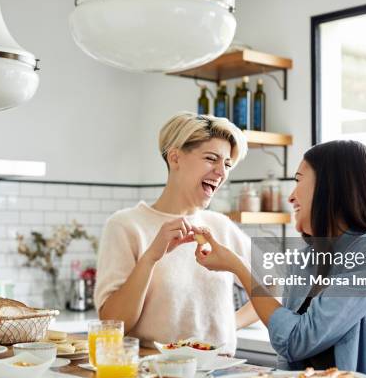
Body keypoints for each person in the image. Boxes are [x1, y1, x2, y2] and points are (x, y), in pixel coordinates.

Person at [195, 140, 366, 378]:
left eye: (298, 180)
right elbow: (290, 354)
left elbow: (297, 339)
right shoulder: (307, 257)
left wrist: (239, 268)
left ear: (332, 188)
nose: (291, 196)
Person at [94, 112, 258, 354]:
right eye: (211, 158)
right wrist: (150, 258)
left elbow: (274, 286)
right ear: (175, 157)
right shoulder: (126, 225)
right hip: (152, 373)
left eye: (227, 164)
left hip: (219, 372)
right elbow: (114, 323)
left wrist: (229, 324)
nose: (221, 172)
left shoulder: (221, 226)